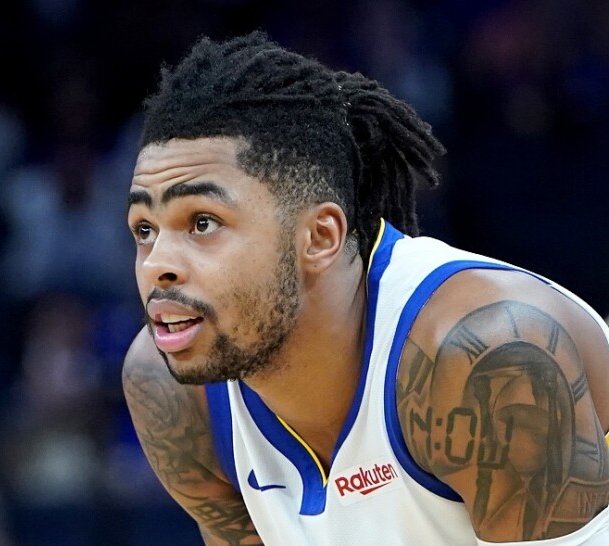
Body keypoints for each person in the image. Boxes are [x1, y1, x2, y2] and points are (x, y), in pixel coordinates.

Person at [122, 32, 609, 545]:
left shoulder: (488, 355)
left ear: (320, 237)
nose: (158, 265)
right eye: (144, 229)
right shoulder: (172, 390)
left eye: (202, 223)